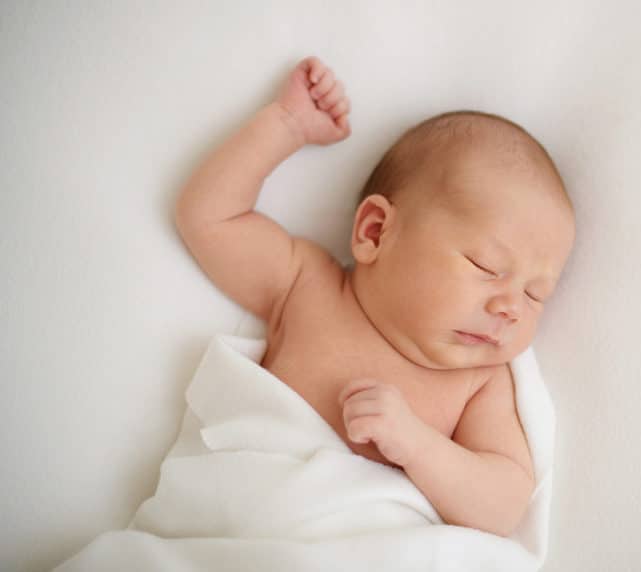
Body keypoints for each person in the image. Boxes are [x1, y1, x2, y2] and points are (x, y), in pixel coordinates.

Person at [175, 55, 576, 537]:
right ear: (376, 231)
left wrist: (416, 444)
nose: (511, 307)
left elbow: (503, 506)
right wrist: (285, 124)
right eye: (485, 267)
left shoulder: (480, 381)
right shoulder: (307, 284)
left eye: (536, 294)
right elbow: (209, 218)